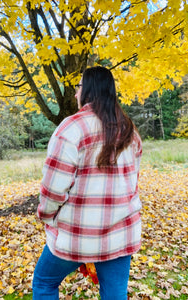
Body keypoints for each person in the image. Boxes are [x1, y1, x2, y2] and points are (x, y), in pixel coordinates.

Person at [33, 66, 142, 300]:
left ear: (89, 90)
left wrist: (47, 216)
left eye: (78, 87)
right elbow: (133, 184)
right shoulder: (130, 131)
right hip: (120, 234)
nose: (75, 93)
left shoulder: (71, 128)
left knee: (44, 282)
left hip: (77, 234)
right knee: (115, 295)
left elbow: (53, 191)